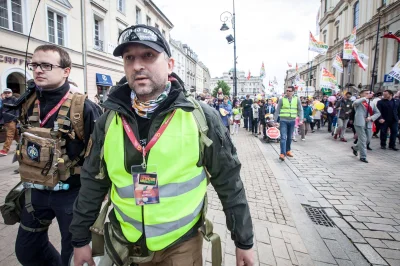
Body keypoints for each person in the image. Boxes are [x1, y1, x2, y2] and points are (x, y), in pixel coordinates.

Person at [70, 24, 254, 266]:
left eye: (148, 55)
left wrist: (244, 242)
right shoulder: (108, 121)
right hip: (125, 244)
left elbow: (229, 181)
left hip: (182, 245)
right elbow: (93, 182)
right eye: (129, 58)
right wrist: (80, 239)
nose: (137, 65)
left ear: (169, 65)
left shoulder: (201, 117)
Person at [12, 45, 100, 266]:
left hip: (72, 194)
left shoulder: (84, 108)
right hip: (36, 191)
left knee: (72, 256)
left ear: (66, 71)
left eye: (46, 65)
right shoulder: (28, 102)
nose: (38, 70)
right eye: (34, 65)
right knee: (27, 251)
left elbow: (100, 156)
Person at [274, 86, 303, 161]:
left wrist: (301, 119)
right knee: (283, 137)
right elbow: (277, 110)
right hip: (283, 120)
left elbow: (300, 110)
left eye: (289, 91)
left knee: (290, 137)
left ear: (293, 92)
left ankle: (288, 151)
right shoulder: (282, 100)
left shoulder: (297, 99)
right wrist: (275, 121)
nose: (288, 92)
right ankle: (282, 153)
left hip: (292, 120)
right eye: (287, 90)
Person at [351, 90, 380, 163]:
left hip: (369, 123)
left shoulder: (372, 103)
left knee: (367, 140)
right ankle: (363, 156)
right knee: (363, 140)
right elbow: (355, 103)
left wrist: (371, 118)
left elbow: (378, 113)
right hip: (359, 123)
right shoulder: (359, 102)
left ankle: (355, 147)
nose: (368, 95)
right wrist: (365, 97)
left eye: (369, 93)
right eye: (366, 93)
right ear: (361, 94)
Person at [0, 88, 19, 156]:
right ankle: (22, 146)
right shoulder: (3, 100)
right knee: (16, 135)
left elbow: (17, 109)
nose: (7, 94)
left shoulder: (14, 100)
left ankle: (5, 150)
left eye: (8, 93)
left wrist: (15, 118)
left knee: (9, 135)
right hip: (6, 121)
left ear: (11, 93)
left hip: (12, 120)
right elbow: (1, 111)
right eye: (5, 93)